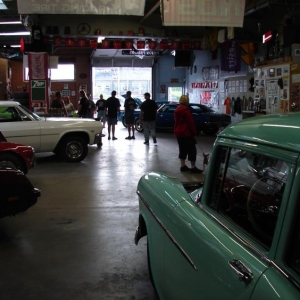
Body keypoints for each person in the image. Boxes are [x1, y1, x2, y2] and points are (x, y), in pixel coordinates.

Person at [174, 95, 203, 174]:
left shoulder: (177, 110)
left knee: (182, 149)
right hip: (186, 133)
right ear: (187, 101)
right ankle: (193, 167)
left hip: (178, 132)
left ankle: (183, 166)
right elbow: (190, 122)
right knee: (192, 150)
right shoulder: (186, 111)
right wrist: (194, 132)